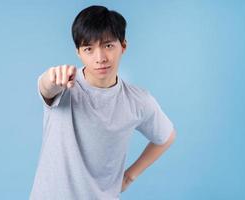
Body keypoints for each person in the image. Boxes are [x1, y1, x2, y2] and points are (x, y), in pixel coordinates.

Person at [30, 5, 176, 200]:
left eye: (108, 45)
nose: (100, 58)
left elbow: (166, 137)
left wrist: (129, 177)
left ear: (123, 46)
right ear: (78, 52)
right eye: (89, 49)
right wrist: (51, 78)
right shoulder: (64, 85)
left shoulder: (137, 100)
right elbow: (46, 87)